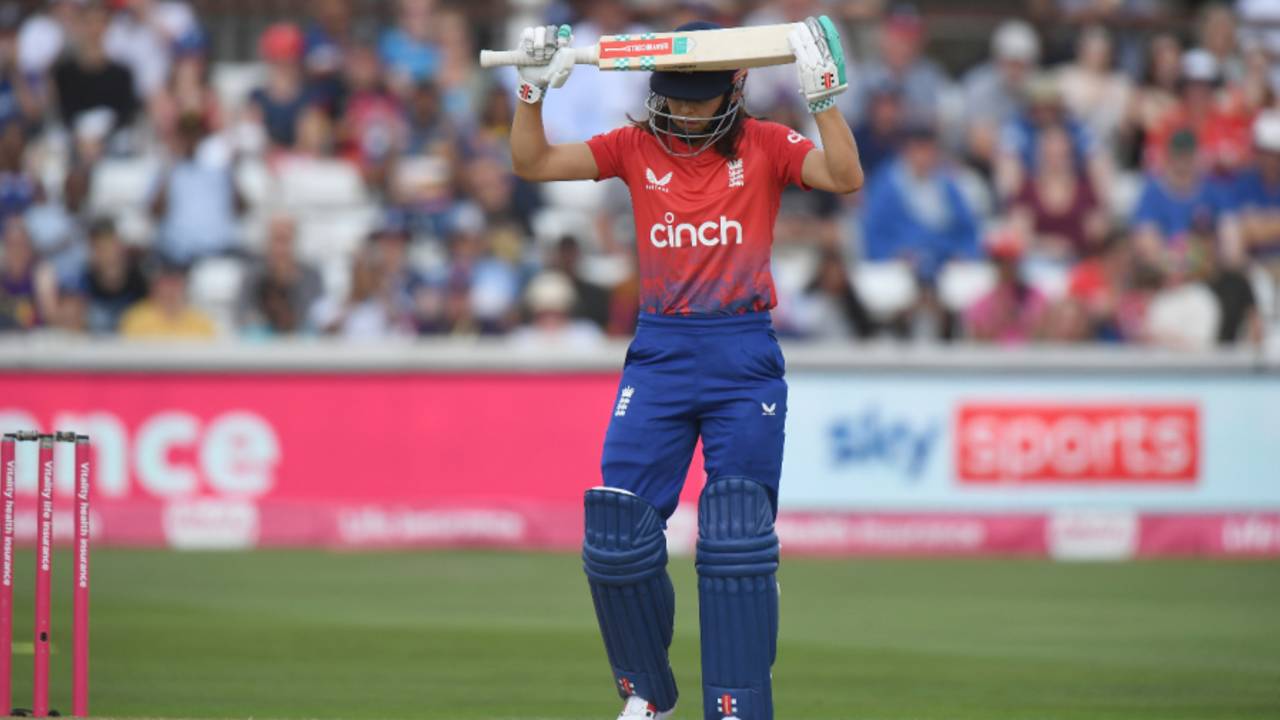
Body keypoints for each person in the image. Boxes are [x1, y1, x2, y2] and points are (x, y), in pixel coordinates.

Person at [503, 17, 862, 720]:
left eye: (700, 97)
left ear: (736, 85)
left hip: (742, 354)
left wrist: (822, 100)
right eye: (674, 96)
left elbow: (845, 176)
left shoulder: (765, 143)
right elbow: (534, 164)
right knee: (616, 534)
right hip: (661, 353)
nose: (686, 111)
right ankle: (648, 698)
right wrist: (530, 93)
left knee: (735, 536)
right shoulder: (634, 146)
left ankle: (737, 704)